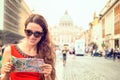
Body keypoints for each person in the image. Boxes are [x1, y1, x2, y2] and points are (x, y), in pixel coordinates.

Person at [0, 14, 56, 80]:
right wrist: (7, 74)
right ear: (25, 31)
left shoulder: (46, 52)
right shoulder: (9, 50)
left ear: (43, 35)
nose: (32, 37)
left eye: (37, 33)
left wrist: (47, 76)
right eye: (29, 32)